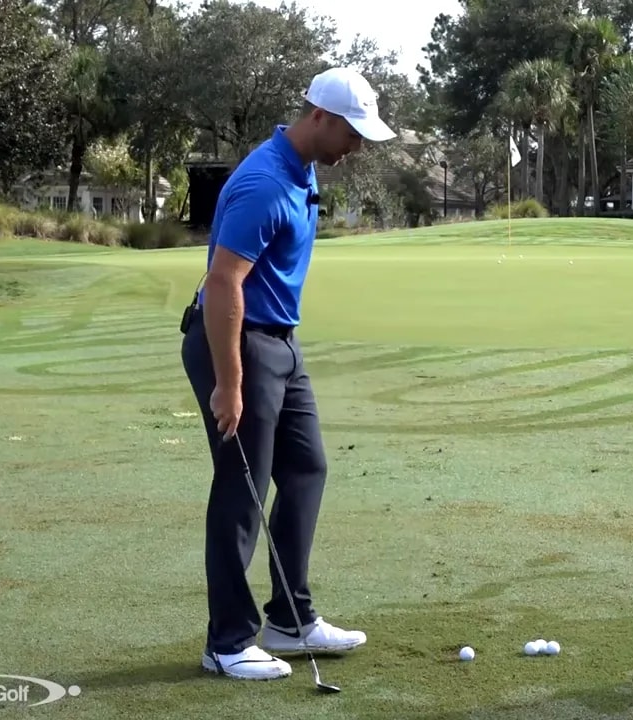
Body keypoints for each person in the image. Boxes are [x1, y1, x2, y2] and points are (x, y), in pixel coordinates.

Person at [180, 66, 397, 681]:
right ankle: (227, 642)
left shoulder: (302, 170)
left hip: (279, 341)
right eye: (351, 134)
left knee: (305, 469)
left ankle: (290, 619)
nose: (356, 148)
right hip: (237, 341)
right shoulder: (266, 183)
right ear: (319, 117)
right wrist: (230, 383)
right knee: (242, 487)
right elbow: (224, 283)